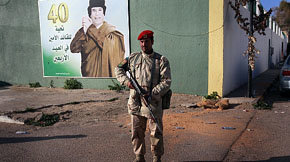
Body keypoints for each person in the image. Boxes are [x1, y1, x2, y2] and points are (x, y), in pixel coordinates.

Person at [115, 30, 171, 162]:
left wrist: (153, 93)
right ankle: (139, 156)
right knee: (136, 132)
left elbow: (167, 81)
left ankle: (156, 157)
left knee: (155, 132)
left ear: (152, 42)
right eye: (141, 41)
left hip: (152, 102)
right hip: (135, 102)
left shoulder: (161, 60)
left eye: (146, 41)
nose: (144, 44)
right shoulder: (133, 58)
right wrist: (127, 82)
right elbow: (118, 69)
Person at [70, 0, 125, 77]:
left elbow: (111, 50)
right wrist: (84, 31)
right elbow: (73, 49)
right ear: (90, 13)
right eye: (94, 10)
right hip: (89, 75)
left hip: (105, 75)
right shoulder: (85, 31)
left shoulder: (111, 33)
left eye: (100, 10)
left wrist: (90, 29)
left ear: (103, 12)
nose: (97, 14)